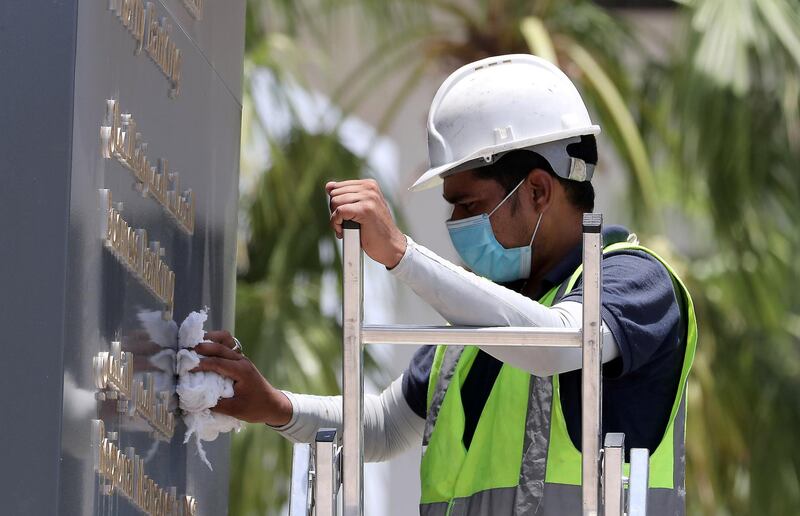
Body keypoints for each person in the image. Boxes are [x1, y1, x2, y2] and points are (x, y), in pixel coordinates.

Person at [195, 54, 696, 515]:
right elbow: (382, 427)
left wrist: (400, 253)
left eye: (471, 205)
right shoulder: (475, 328)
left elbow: (560, 344)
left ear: (539, 190)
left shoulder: (635, 280)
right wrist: (274, 406)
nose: (456, 223)